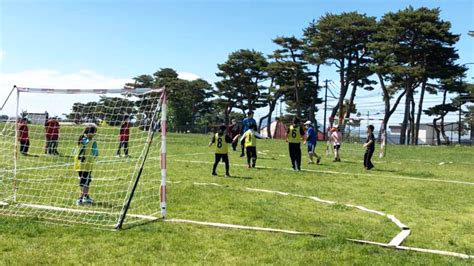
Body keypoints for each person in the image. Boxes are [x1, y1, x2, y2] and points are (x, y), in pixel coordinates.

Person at [74, 126, 98, 205]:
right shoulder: (92, 142)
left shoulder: (80, 140)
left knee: (82, 180)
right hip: (87, 165)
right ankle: (81, 198)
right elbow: (95, 154)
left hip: (79, 165)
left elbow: (75, 152)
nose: (95, 134)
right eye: (94, 133)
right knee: (86, 181)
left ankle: (85, 196)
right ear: (91, 133)